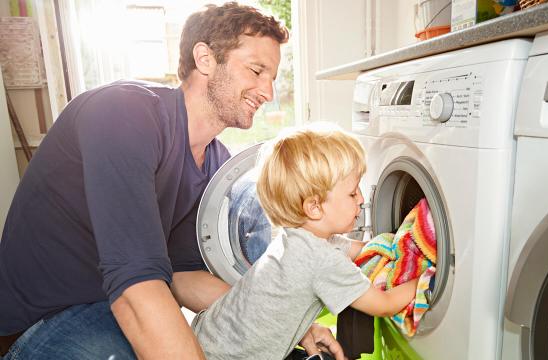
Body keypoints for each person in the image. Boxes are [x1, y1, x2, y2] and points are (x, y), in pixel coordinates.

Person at [0, 3, 340, 359]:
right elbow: (136, 289)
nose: (268, 92)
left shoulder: (215, 162)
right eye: (256, 71)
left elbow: (181, 276)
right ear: (205, 58)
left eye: (271, 77)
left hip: (113, 304)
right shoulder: (124, 115)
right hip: (43, 320)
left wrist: (291, 326)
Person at [192, 124, 419, 359]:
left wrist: (403, 243)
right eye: (352, 193)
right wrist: (424, 278)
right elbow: (383, 304)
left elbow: (364, 249)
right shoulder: (320, 259)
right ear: (314, 207)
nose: (362, 199)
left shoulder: (299, 239)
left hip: (205, 335)